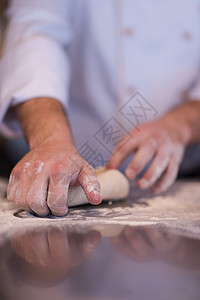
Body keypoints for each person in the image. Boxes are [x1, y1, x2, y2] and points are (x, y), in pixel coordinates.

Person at [0, 0, 200, 216]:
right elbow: (36, 34)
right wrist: (49, 139)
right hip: (64, 166)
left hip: (185, 178)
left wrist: (180, 126)